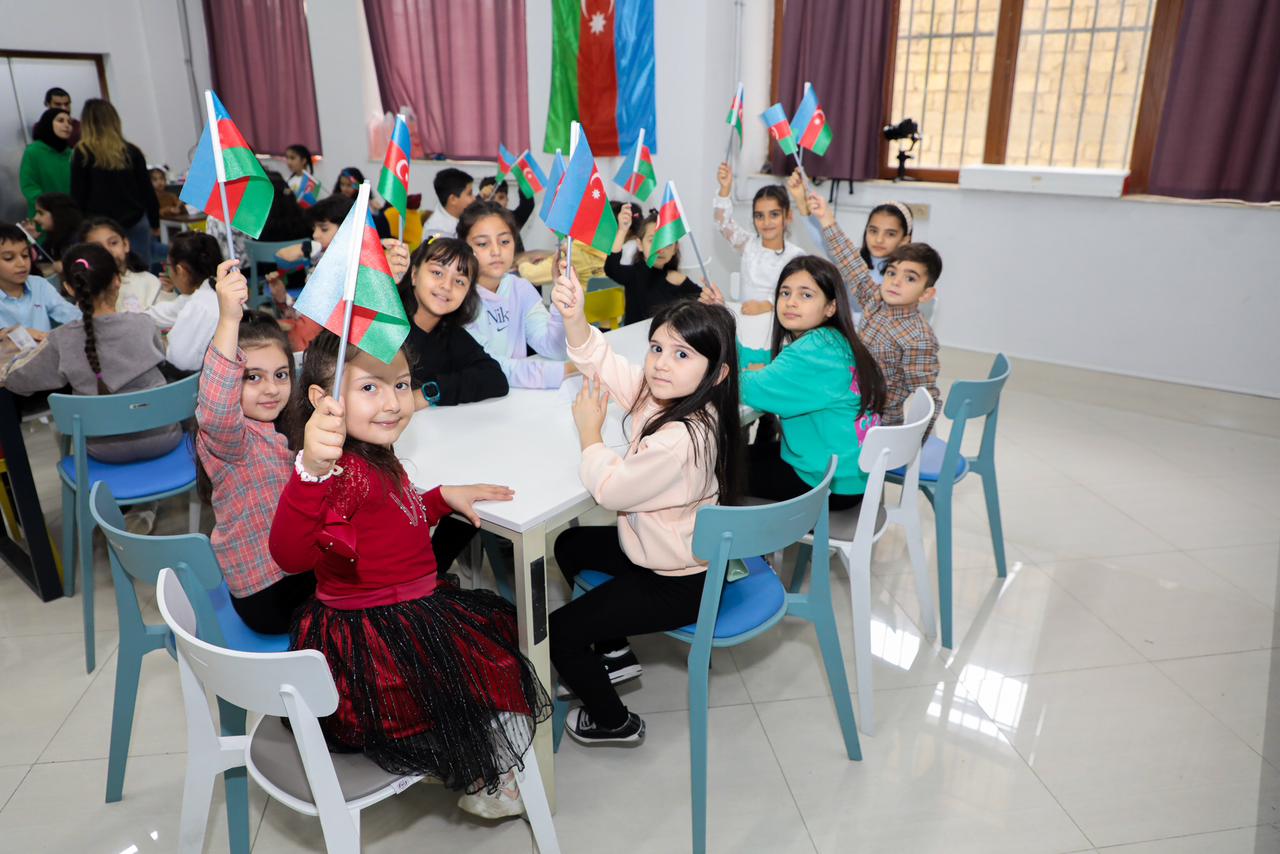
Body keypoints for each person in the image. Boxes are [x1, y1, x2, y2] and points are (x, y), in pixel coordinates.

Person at [269, 329, 549, 818]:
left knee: (495, 651)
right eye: (370, 387)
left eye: (400, 384)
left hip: (400, 611)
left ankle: (483, 764)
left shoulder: (372, 454)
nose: (393, 402)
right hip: (378, 640)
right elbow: (290, 555)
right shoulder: (340, 472)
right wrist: (309, 471)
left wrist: (438, 499)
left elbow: (387, 517)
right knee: (498, 668)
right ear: (321, 400)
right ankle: (488, 779)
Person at [548, 264, 743, 745]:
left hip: (679, 581)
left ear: (717, 373)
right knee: (571, 545)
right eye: (656, 348)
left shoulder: (679, 439)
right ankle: (614, 652)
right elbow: (605, 363)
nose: (660, 364)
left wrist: (590, 435)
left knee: (560, 631)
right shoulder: (674, 398)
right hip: (664, 549)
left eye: (681, 354)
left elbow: (610, 491)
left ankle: (614, 723)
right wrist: (574, 317)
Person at [707, 255, 887, 508]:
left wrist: (703, 370)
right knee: (728, 458)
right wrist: (722, 319)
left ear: (830, 307)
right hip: (846, 471)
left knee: (710, 470)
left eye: (806, 295)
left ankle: (731, 530)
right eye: (785, 293)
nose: (791, 302)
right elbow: (758, 362)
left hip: (826, 483)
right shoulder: (831, 340)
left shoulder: (813, 351)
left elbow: (747, 387)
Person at [196, 259, 314, 633]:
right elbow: (216, 409)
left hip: (293, 573)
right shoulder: (234, 439)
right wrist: (228, 321)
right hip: (269, 593)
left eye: (281, 375)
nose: (271, 389)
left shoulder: (283, 426)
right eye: (253, 378)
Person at [0, 243, 180, 463]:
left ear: (69, 288)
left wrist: (20, 352)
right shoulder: (144, 324)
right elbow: (162, 357)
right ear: (117, 280)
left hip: (106, 452)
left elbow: (15, 380)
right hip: (165, 439)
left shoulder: (62, 340)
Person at [810, 192, 942, 434]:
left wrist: (910, 445)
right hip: (852, 402)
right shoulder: (876, 300)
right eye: (891, 273)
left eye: (910, 278)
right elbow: (850, 263)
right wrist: (826, 219)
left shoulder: (919, 338)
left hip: (877, 426)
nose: (896, 282)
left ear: (926, 294)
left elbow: (927, 400)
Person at [457, 201, 572, 389]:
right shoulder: (456, 297)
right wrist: (569, 370)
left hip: (517, 394)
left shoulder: (520, 287)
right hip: (475, 398)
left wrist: (559, 300)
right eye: (483, 244)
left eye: (504, 241)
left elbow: (554, 348)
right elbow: (490, 366)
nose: (496, 251)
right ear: (464, 247)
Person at [399, 236, 508, 410]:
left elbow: (495, 378)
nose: (447, 286)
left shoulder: (450, 334)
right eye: (437, 273)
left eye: (459, 281)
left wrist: (428, 393)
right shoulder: (386, 323)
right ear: (414, 275)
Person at [70, 99, 159, 270]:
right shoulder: (131, 151)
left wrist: (80, 230)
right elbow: (147, 192)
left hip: (99, 229)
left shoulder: (82, 153)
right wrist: (154, 223)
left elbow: (78, 196)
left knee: (104, 274)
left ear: (87, 123)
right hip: (135, 221)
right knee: (141, 274)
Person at [604, 203, 703, 325]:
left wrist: (710, 297)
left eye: (667, 243)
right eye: (652, 241)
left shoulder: (677, 279)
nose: (660, 249)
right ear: (640, 244)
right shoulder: (634, 274)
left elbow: (703, 302)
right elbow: (611, 268)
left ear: (675, 249)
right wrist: (622, 230)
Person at [0, 223, 80, 340]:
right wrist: (18, 336)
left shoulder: (39, 285)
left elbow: (69, 314)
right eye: (9, 258)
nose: (21, 263)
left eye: (25, 255)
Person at [77, 216, 169, 316]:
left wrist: (168, 292)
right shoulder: (86, 288)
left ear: (125, 244)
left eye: (113, 243)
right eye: (97, 248)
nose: (108, 251)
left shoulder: (149, 281)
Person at [162, 231, 222, 372]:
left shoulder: (199, 306)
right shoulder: (222, 292)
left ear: (180, 271)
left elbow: (179, 361)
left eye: (168, 266)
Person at [20, 108, 74, 218]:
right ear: (48, 123)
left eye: (69, 122)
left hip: (70, 215)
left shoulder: (72, 153)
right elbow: (29, 186)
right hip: (44, 216)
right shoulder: (33, 151)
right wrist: (50, 207)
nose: (67, 125)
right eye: (60, 120)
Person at [31, 193, 83, 268]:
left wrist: (66, 266)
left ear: (57, 214)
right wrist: (31, 240)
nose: (35, 218)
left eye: (41, 213)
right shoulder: (53, 237)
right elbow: (41, 259)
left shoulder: (78, 239)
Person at [424, 168, 475, 238]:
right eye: (469, 194)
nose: (474, 198)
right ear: (453, 199)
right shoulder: (438, 232)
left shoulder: (458, 217)